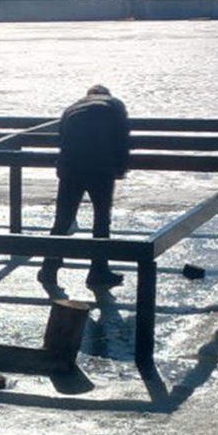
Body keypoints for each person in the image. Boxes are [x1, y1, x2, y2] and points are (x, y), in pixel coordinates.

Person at [38, 84, 131, 289]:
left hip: (70, 166)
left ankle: (48, 269)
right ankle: (98, 272)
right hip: (100, 166)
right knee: (101, 219)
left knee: (62, 220)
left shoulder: (71, 108)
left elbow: (62, 139)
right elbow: (122, 138)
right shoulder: (115, 104)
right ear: (106, 94)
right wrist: (122, 167)